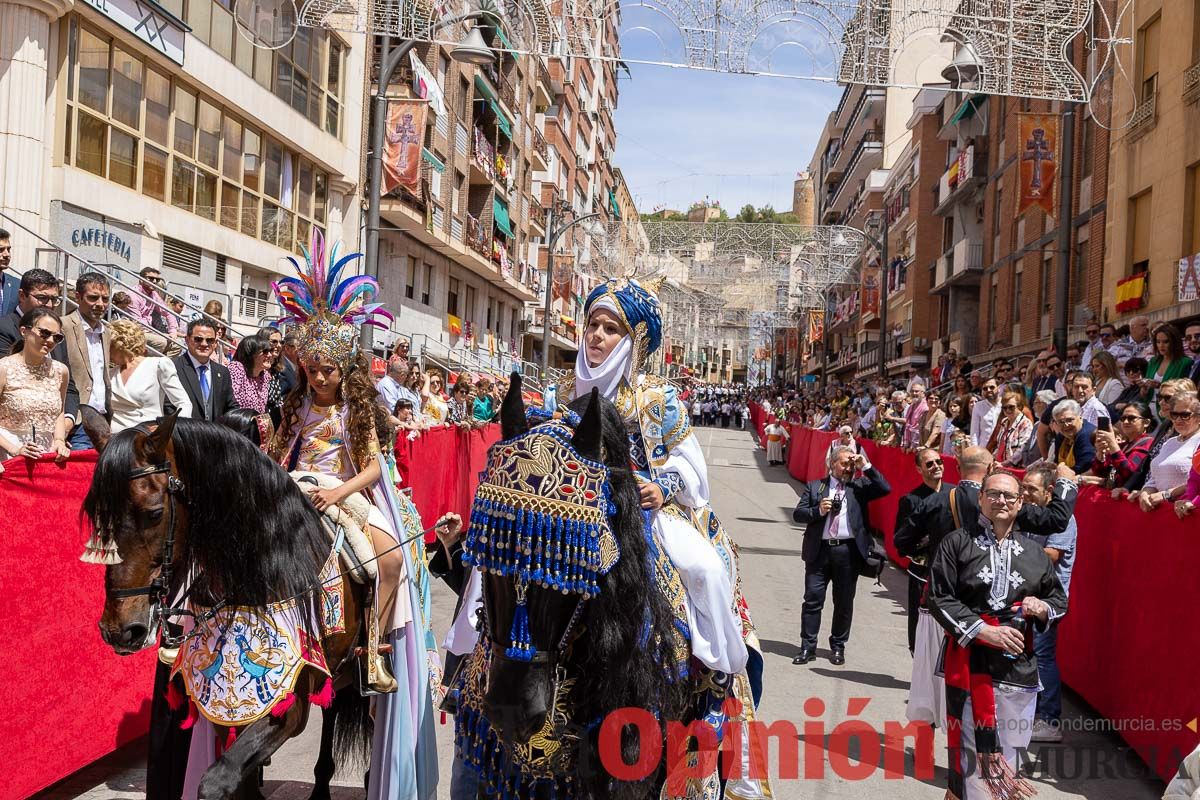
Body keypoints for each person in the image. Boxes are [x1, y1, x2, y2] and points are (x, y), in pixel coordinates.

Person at [269, 232, 437, 798]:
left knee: (386, 558)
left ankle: (373, 647)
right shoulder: (292, 406)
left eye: (328, 371)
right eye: (312, 370)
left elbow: (372, 469)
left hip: (346, 494)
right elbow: (277, 455)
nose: (319, 379)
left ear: (344, 370)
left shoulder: (356, 411)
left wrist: (337, 496)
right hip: (295, 489)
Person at [551, 278, 754, 682]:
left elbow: (690, 463)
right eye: (593, 325)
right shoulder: (558, 392)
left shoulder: (657, 398)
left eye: (610, 329)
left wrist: (662, 487)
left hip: (643, 508)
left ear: (631, 342)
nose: (596, 336)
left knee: (705, 570)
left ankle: (715, 668)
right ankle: (474, 659)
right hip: (570, 506)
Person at [928, 471, 1068, 800]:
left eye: (1008, 496)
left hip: (1017, 669)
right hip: (969, 662)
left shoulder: (1035, 554)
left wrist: (1042, 606)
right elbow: (938, 596)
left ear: (1021, 503)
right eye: (993, 494)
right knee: (973, 758)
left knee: (1009, 756)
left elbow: (1060, 602)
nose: (1000, 501)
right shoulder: (956, 543)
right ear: (980, 499)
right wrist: (985, 632)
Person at [792, 445, 891, 666]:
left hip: (847, 553)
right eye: (844, 463)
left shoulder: (859, 487)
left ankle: (837, 646)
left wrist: (865, 465)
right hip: (819, 552)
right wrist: (818, 510)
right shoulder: (816, 487)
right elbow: (798, 514)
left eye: (851, 463)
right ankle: (808, 647)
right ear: (832, 464)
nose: (848, 468)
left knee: (844, 602)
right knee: (812, 600)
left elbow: (885, 488)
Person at [1019, 461, 1077, 744]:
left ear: (1050, 491)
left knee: (1042, 657)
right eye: (1023, 487)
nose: (1025, 493)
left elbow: (1051, 555)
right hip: (1026, 596)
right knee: (1026, 654)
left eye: (1031, 489)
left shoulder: (1063, 519)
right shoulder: (1033, 514)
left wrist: (1013, 553)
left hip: (1048, 600)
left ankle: (1050, 720)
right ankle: (1029, 713)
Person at [896, 447, 951, 727]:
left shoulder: (954, 494)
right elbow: (902, 540)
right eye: (929, 464)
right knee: (920, 636)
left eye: (939, 462)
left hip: (952, 579)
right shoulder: (912, 500)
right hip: (922, 575)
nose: (936, 467)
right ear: (919, 469)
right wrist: (929, 542)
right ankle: (924, 689)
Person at [0, 269, 80, 428]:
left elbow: (69, 386)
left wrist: (67, 422)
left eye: (54, 299)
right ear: (22, 296)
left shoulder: (57, 334)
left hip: (61, 429)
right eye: (42, 298)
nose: (49, 305)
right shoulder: (4, 328)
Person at [0, 307, 71, 463]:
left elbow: (59, 410)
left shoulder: (61, 371)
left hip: (47, 454)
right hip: (8, 455)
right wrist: (14, 449)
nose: (51, 340)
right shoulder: (3, 368)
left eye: (57, 337)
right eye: (44, 333)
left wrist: (59, 440)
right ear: (24, 331)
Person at [107, 320, 192, 433]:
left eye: (109, 346)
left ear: (120, 346)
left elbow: (184, 403)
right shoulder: (110, 373)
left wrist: (170, 430)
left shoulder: (158, 365)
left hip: (147, 440)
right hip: (116, 442)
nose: (106, 351)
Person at [61, 272, 111, 449]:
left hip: (102, 420)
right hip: (76, 422)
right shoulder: (63, 326)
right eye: (93, 298)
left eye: (105, 299)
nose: (100, 304)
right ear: (78, 296)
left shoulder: (107, 331)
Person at [1129, 392, 1200, 513]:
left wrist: (1166, 494)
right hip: (1159, 511)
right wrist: (1146, 493)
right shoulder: (1169, 442)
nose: (1178, 419)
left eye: (1185, 415)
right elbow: (1155, 476)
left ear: (1198, 417)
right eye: (1174, 414)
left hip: (1184, 512)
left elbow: (1195, 481)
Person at [1121, 379, 1197, 491]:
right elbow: (1146, 464)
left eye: (1168, 398)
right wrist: (1128, 488)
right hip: (1148, 493)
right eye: (1159, 397)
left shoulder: (1191, 435)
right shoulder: (1166, 426)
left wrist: (1165, 495)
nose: (1161, 402)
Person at [172, 318, 235, 421]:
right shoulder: (173, 368)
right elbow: (168, 408)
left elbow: (230, 407)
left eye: (210, 340)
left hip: (215, 435)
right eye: (198, 339)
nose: (204, 344)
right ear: (187, 340)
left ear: (215, 343)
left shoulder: (223, 372)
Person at [1080, 401, 1154, 488]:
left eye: (1131, 418)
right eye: (1123, 418)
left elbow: (1129, 473)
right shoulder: (1124, 445)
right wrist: (1100, 455)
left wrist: (1112, 444)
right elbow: (1099, 472)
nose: (1125, 422)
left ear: (1146, 423)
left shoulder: (1147, 444)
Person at [126, 266, 182, 356]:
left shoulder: (153, 294)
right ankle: (148, 366)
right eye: (151, 278)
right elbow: (137, 323)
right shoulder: (133, 295)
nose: (155, 282)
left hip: (148, 331)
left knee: (177, 345)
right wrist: (159, 334)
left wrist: (173, 331)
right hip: (135, 331)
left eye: (157, 279)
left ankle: (159, 366)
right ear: (141, 280)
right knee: (161, 342)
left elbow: (168, 312)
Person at [228, 333, 275, 414]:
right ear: (250, 354)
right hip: (238, 423)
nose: (270, 355)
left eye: (270, 351)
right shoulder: (237, 368)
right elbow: (232, 404)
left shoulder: (265, 375)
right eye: (265, 352)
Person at [1145, 322, 1194, 400]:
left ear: (1174, 342)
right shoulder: (1153, 361)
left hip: (1169, 407)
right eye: (1158, 342)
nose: (1161, 345)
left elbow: (1184, 391)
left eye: (1166, 341)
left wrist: (1159, 386)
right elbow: (1145, 393)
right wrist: (1143, 387)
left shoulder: (1185, 362)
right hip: (1148, 406)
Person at [1048, 398, 1096, 473]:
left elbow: (1083, 467)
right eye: (1061, 422)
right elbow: (1057, 462)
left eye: (1069, 420)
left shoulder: (1087, 435)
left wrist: (1057, 472)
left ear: (1080, 417)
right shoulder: (1061, 436)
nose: (1066, 425)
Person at [989, 389, 1033, 467]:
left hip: (1013, 467)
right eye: (1004, 408)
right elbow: (1000, 446)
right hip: (999, 464)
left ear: (1020, 406)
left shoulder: (1025, 424)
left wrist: (1004, 464)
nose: (1008, 410)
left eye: (1011, 407)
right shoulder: (1004, 422)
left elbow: (1022, 449)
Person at [969, 377, 1001, 448]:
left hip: (1002, 449)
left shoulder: (1005, 404)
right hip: (984, 449)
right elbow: (974, 432)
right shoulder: (978, 406)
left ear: (998, 388)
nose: (988, 390)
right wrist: (976, 451)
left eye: (992, 387)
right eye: (985, 388)